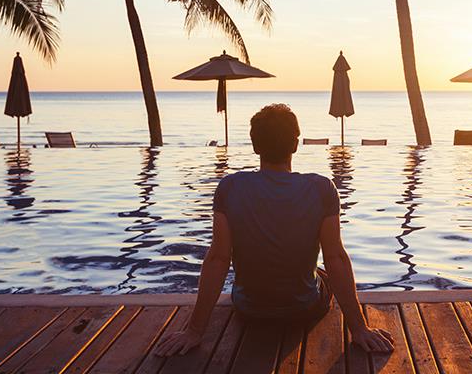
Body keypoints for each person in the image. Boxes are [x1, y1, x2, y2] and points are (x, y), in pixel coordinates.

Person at [155, 103, 393, 356]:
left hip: (250, 309)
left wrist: (194, 331)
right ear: (295, 144)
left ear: (255, 146)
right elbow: (335, 258)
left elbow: (218, 258)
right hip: (304, 309)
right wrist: (359, 329)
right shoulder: (322, 188)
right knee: (324, 271)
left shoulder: (229, 187)